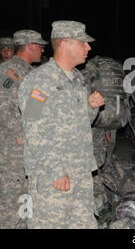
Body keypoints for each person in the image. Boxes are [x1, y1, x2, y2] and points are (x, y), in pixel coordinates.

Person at [18, 21, 105, 229]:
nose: (88, 47)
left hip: (80, 172)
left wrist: (91, 107)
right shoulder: (39, 81)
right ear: (65, 43)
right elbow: (34, 129)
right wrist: (56, 171)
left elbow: (81, 124)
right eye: (83, 43)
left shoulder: (77, 79)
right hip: (53, 177)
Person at [0, 30, 48, 229]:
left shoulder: (31, 72)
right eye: (39, 45)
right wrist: (20, 133)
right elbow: (1, 104)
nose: (42, 49)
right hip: (13, 147)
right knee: (12, 202)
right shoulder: (10, 70)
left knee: (27, 200)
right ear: (30, 46)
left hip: (30, 146)